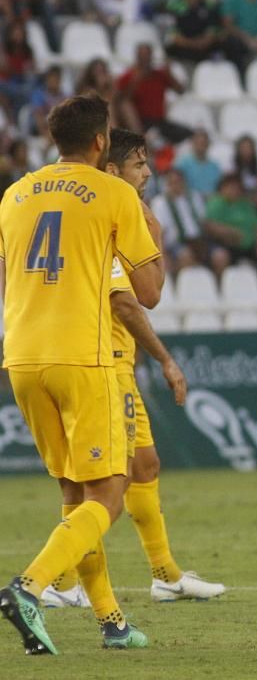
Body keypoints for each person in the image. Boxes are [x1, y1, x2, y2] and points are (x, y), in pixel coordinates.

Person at [0, 94, 164, 655]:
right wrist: (149, 234)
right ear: (101, 142)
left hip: (21, 356)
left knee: (74, 492)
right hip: (84, 356)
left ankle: (112, 623)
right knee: (109, 494)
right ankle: (28, 587)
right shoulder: (116, 193)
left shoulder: (15, 194)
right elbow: (149, 292)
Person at [41, 129, 223, 611]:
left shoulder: (112, 212)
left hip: (99, 359)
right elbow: (135, 299)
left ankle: (164, 575)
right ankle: (57, 582)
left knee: (143, 466)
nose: (149, 173)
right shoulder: (113, 215)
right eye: (141, 165)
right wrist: (166, 359)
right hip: (104, 364)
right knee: (101, 486)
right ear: (113, 170)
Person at [203, 172, 257, 285]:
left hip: (248, 245)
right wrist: (230, 232)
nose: (234, 191)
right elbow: (211, 225)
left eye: (236, 188)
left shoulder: (245, 204)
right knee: (223, 256)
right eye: (231, 187)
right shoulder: (216, 203)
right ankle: (224, 285)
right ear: (223, 188)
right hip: (228, 244)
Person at [164, 0, 248, 69]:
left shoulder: (208, 5)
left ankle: (237, 74)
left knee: (231, 42)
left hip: (205, 46)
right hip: (184, 46)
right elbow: (174, 35)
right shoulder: (173, 5)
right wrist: (193, 44)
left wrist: (205, 41)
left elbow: (212, 29)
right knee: (171, 48)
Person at [114, 43, 193, 145]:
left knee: (188, 135)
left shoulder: (160, 74)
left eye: (147, 56)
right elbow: (120, 102)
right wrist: (135, 82)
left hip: (160, 122)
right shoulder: (128, 76)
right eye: (142, 56)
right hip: (141, 122)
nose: (145, 60)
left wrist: (169, 74)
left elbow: (180, 91)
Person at [151, 167, 212, 273]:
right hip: (176, 243)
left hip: (198, 240)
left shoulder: (194, 197)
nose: (176, 185)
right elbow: (160, 232)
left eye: (178, 182)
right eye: (172, 182)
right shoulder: (160, 202)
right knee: (185, 255)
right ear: (166, 184)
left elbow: (204, 223)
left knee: (220, 256)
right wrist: (162, 254)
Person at [175, 128, 222, 196]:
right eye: (198, 142)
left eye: (204, 143)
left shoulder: (215, 166)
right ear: (192, 143)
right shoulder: (182, 163)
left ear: (208, 144)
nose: (201, 146)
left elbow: (218, 187)